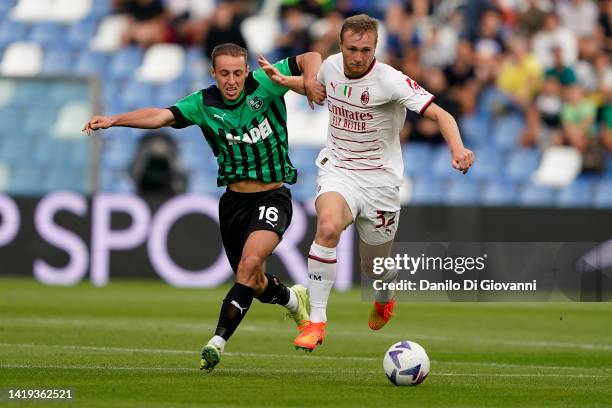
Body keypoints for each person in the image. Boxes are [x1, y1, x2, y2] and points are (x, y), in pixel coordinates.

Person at [82, 43, 326, 369]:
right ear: (213, 73)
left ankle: (217, 342)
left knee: (249, 263)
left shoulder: (267, 81)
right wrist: (114, 120)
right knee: (252, 281)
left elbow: (311, 57)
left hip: (273, 196)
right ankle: (294, 300)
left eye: (238, 73)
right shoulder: (203, 103)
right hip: (233, 203)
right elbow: (160, 116)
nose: (231, 80)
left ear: (245, 71)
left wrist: (309, 79)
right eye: (224, 73)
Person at [259, 14, 475, 352]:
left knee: (373, 268)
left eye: (366, 50)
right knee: (327, 227)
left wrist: (458, 148)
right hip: (338, 170)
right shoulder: (330, 67)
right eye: (352, 49)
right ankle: (316, 321)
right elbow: (316, 87)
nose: (359, 57)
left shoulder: (391, 81)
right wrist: (285, 80)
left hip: (380, 184)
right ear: (341, 46)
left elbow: (441, 114)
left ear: (376, 47)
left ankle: (386, 290)